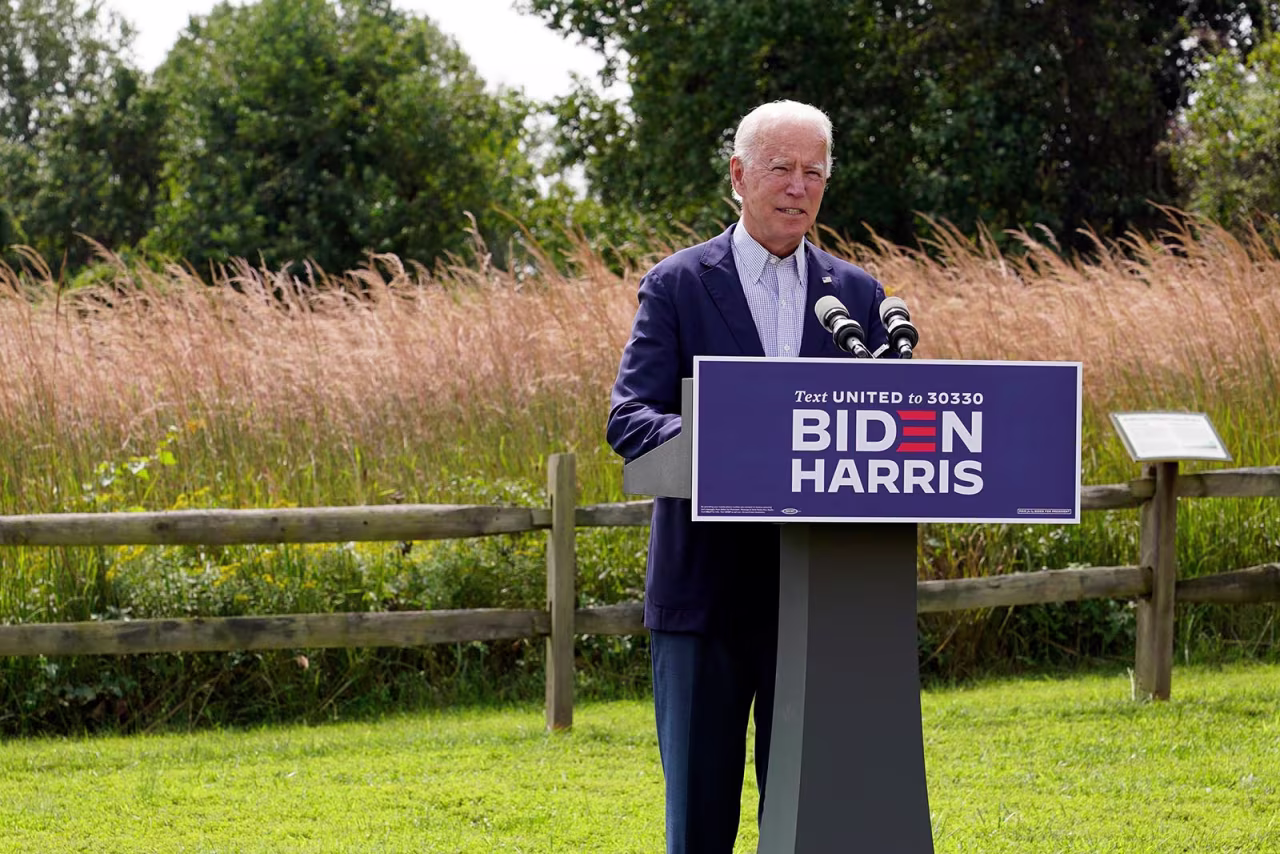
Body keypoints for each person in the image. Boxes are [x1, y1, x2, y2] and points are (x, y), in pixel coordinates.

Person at [606, 100, 895, 853]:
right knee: (699, 827)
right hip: (704, 600)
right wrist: (729, 439)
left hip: (819, 606)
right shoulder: (676, 285)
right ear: (738, 175)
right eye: (780, 168)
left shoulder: (857, 295)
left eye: (814, 172)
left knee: (806, 826)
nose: (798, 187)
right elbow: (630, 419)